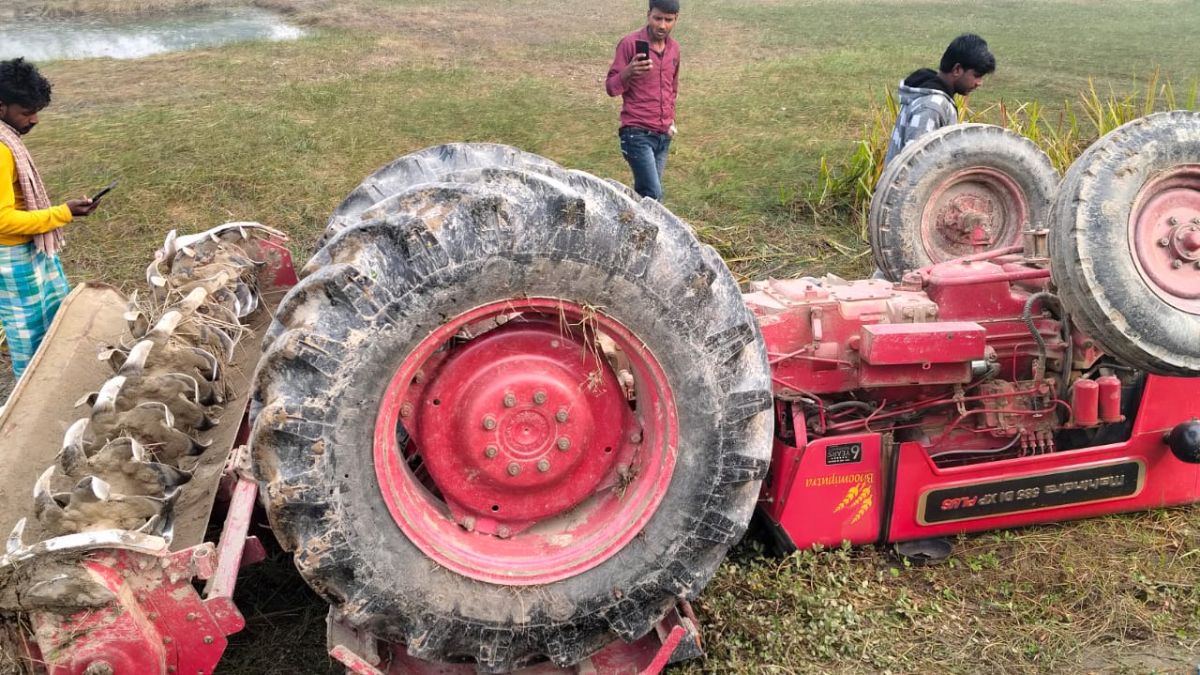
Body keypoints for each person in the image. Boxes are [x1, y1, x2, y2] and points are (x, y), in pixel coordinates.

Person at [0, 58, 96, 379]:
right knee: (28, 336)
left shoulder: (7, 139)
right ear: (2, 108)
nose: (35, 120)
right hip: (12, 258)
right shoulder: (1, 151)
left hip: (30, 250)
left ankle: (54, 377)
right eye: (26, 112)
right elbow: (2, 221)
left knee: (55, 316)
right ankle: (30, 400)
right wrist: (62, 213)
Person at [605, 0, 681, 201]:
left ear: (676, 19)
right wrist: (629, 71)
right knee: (652, 195)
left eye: (668, 20)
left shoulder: (674, 49)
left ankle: (631, 228)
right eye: (657, 18)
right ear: (648, 15)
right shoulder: (629, 44)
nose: (662, 25)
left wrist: (670, 120)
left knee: (644, 197)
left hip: (663, 135)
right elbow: (611, 87)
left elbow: (672, 88)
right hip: (636, 133)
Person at [883, 33, 996, 165]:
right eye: (977, 75)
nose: (979, 83)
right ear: (957, 70)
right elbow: (915, 164)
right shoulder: (931, 106)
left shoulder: (929, 94)